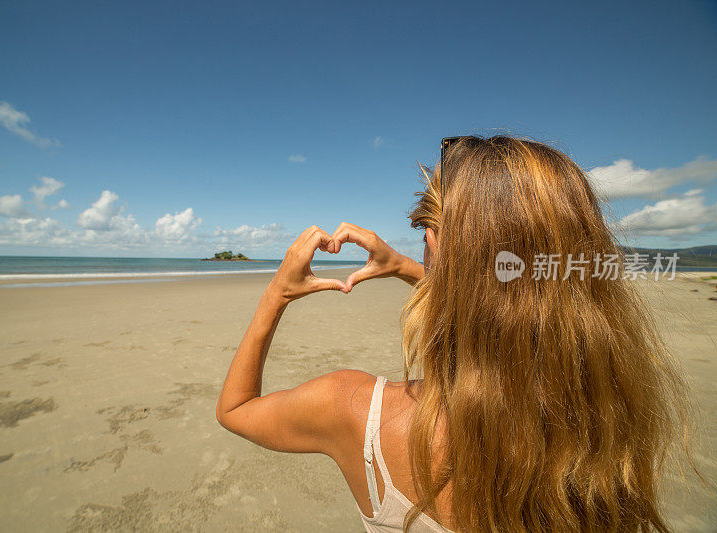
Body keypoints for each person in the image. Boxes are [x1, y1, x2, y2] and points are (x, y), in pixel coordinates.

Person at [216, 135, 693, 532]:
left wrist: (277, 292)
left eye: (427, 233)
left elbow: (236, 410)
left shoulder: (357, 412)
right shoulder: (603, 426)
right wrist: (406, 264)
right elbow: (512, 296)